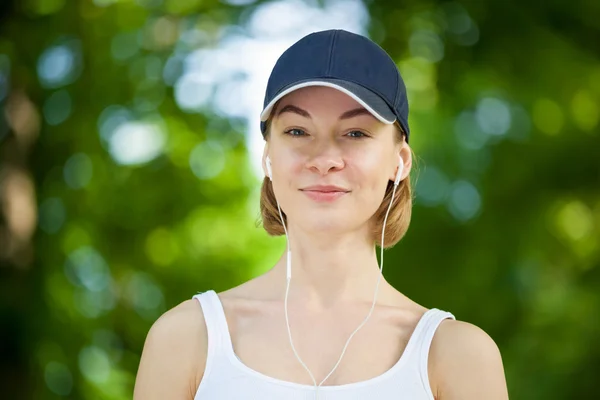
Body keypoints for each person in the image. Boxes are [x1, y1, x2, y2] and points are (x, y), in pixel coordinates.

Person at [133, 29, 509, 400]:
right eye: (298, 130)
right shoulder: (185, 340)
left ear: (400, 161)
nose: (325, 160)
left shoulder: (458, 357)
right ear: (268, 157)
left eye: (356, 133)